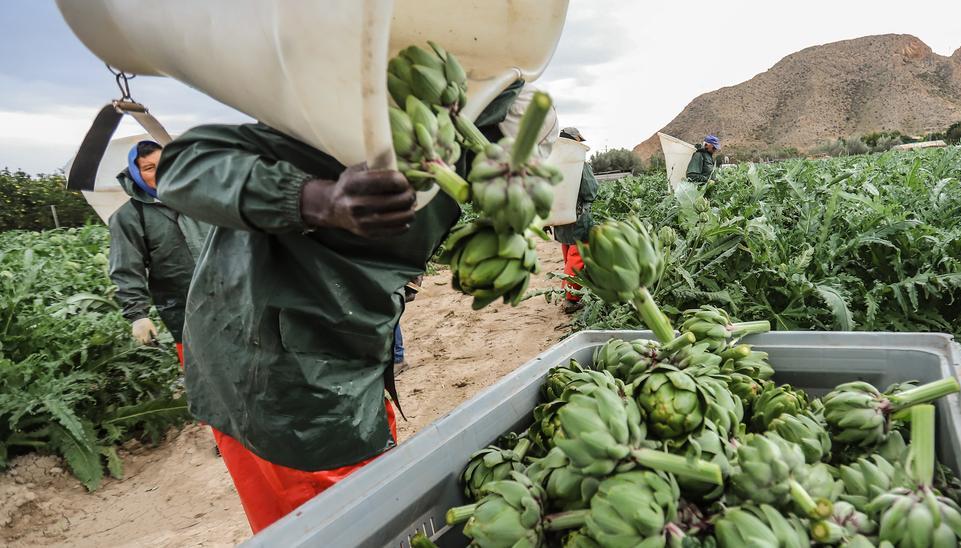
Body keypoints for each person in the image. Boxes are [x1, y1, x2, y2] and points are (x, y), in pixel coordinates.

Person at [154, 85, 542, 533]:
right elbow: (183, 165)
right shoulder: (341, 122)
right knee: (329, 526)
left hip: (345, 358)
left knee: (361, 508)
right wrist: (317, 199)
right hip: (277, 382)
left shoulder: (467, 176)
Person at [107, 140, 210, 368]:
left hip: (234, 302)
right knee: (205, 380)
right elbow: (126, 268)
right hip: (185, 313)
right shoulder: (130, 216)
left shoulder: (199, 200)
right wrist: (138, 315)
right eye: (149, 168)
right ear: (136, 174)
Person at [551, 127, 598, 314]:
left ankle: (570, 289)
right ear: (574, 142)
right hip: (578, 217)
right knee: (577, 258)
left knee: (568, 255)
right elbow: (590, 190)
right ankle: (571, 299)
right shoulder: (579, 164)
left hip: (560, 218)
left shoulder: (552, 163)